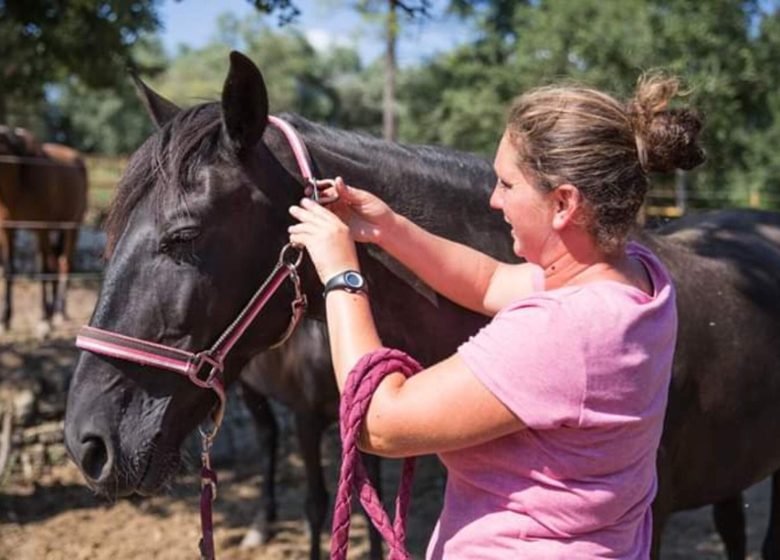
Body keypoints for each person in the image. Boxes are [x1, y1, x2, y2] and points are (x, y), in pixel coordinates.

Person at [288, 73, 705, 559]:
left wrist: (341, 273)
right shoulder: (635, 277)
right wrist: (388, 228)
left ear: (564, 203)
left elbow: (379, 423)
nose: (494, 199)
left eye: (507, 184)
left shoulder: (562, 332)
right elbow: (489, 282)